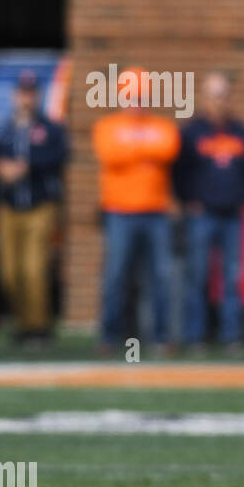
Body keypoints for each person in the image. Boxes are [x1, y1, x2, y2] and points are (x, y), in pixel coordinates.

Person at [92, 72, 180, 355]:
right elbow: (109, 154)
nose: (136, 103)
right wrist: (145, 153)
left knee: (160, 276)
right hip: (119, 212)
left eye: (141, 97)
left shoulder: (162, 125)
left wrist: (131, 151)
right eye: (131, 96)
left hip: (156, 212)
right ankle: (109, 337)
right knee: (116, 276)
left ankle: (160, 336)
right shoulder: (107, 125)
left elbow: (168, 149)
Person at [174, 71, 244, 354]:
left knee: (232, 278)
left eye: (223, 95)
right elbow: (179, 172)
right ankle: (196, 335)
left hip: (233, 214)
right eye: (213, 95)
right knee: (197, 276)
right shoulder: (191, 133)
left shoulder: (243, 133)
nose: (218, 101)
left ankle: (231, 336)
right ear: (204, 98)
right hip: (202, 214)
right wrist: (189, 199)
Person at [0, 71, 69, 345]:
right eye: (22, 93)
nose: (26, 98)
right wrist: (2, 168)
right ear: (14, 96)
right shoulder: (6, 128)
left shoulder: (49, 127)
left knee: (34, 269)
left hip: (39, 206)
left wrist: (26, 166)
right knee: (9, 271)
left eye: (31, 93)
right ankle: (21, 322)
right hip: (8, 208)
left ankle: (39, 326)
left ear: (39, 96)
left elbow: (60, 155)